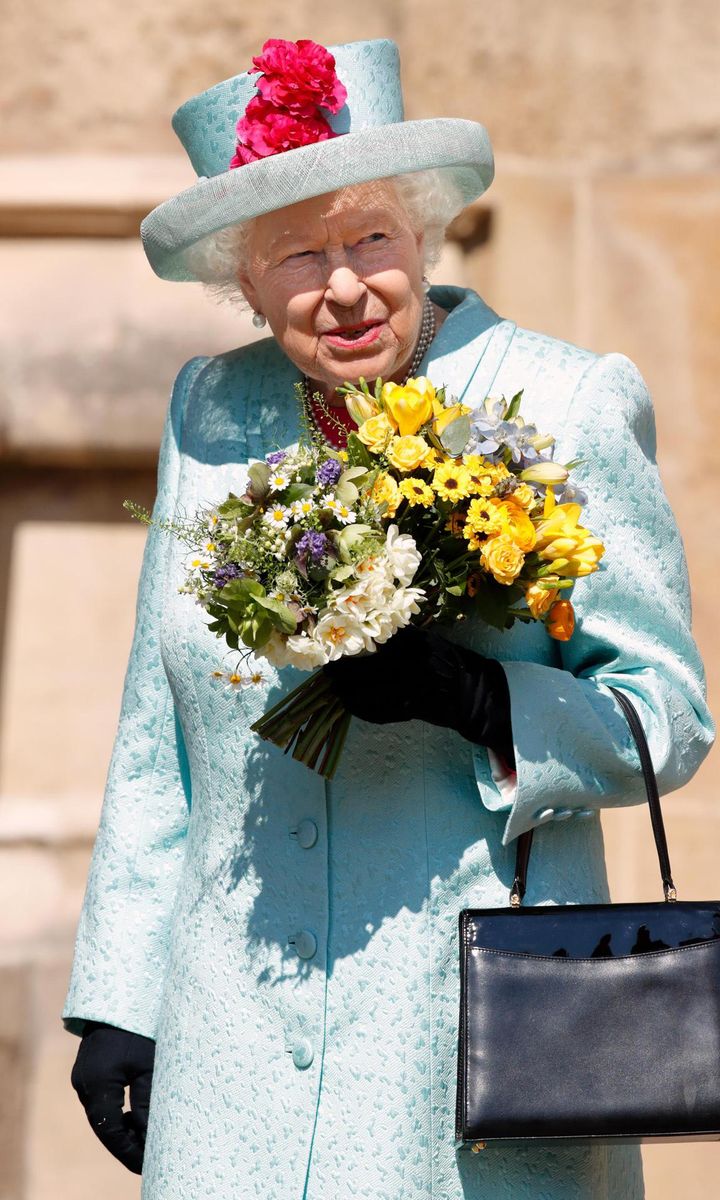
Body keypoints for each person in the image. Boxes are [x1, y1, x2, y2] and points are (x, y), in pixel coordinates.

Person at [63, 36, 714, 1200]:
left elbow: (667, 716)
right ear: (243, 284)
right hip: (233, 1044)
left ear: (424, 232)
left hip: (465, 1040)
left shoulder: (565, 399)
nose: (345, 284)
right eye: (296, 254)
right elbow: (156, 730)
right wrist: (118, 995)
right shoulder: (210, 408)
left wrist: (479, 699)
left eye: (371, 237)